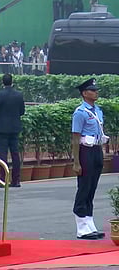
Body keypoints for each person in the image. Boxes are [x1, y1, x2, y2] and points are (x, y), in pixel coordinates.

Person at [71, 78, 107, 240]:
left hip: (96, 149)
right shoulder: (80, 112)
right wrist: (76, 161)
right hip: (85, 151)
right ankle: (81, 226)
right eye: (93, 90)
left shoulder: (98, 110)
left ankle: (89, 222)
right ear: (85, 93)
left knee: (92, 188)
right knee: (84, 187)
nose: (96, 92)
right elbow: (75, 138)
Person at [0, 74, 25, 188]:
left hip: (2, 128)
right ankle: (16, 180)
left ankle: (3, 179)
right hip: (14, 128)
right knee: (15, 154)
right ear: (12, 82)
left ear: (2, 82)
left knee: (3, 154)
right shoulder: (19, 95)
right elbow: (22, 111)